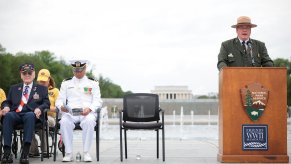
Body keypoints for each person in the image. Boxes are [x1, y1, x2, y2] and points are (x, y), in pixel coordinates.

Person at [1, 63, 50, 164]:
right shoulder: (14, 88)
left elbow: (46, 103)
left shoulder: (42, 89)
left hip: (32, 115)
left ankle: (25, 152)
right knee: (8, 115)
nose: (27, 75)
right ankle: (6, 152)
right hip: (16, 114)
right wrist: (5, 107)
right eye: (24, 73)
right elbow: (7, 102)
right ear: (21, 75)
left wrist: (39, 108)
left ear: (34, 74)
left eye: (29, 72)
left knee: (29, 115)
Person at [56, 60, 102, 162]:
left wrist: (90, 109)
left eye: (80, 70)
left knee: (89, 121)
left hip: (87, 112)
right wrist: (61, 107)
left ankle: (86, 152)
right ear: (73, 70)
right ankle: (68, 153)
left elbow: (98, 100)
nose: (78, 72)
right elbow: (59, 100)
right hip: (71, 113)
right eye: (75, 70)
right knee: (64, 122)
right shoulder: (66, 83)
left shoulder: (92, 83)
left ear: (85, 69)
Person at [29, 69, 60, 157]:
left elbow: (58, 108)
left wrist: (44, 107)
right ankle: (33, 149)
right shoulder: (33, 90)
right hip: (35, 115)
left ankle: (45, 150)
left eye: (44, 80)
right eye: (40, 80)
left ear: (49, 79)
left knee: (43, 121)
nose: (42, 82)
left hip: (50, 117)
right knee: (28, 121)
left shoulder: (55, 91)